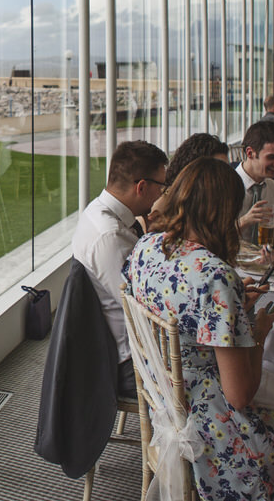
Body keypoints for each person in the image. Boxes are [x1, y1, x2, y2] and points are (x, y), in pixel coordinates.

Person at [123, 158, 274, 501]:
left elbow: (175, 305)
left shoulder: (146, 247)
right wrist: (257, 331)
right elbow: (240, 395)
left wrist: (231, 310)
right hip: (212, 432)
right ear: (226, 211)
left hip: (165, 399)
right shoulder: (215, 276)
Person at [71, 140, 168, 396]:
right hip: (130, 362)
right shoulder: (111, 237)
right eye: (162, 186)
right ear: (142, 186)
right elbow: (147, 310)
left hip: (127, 346)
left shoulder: (97, 212)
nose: (162, 195)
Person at [235, 120, 274, 248]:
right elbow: (210, 237)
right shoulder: (224, 185)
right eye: (272, 157)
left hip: (265, 263)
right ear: (250, 153)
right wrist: (244, 221)